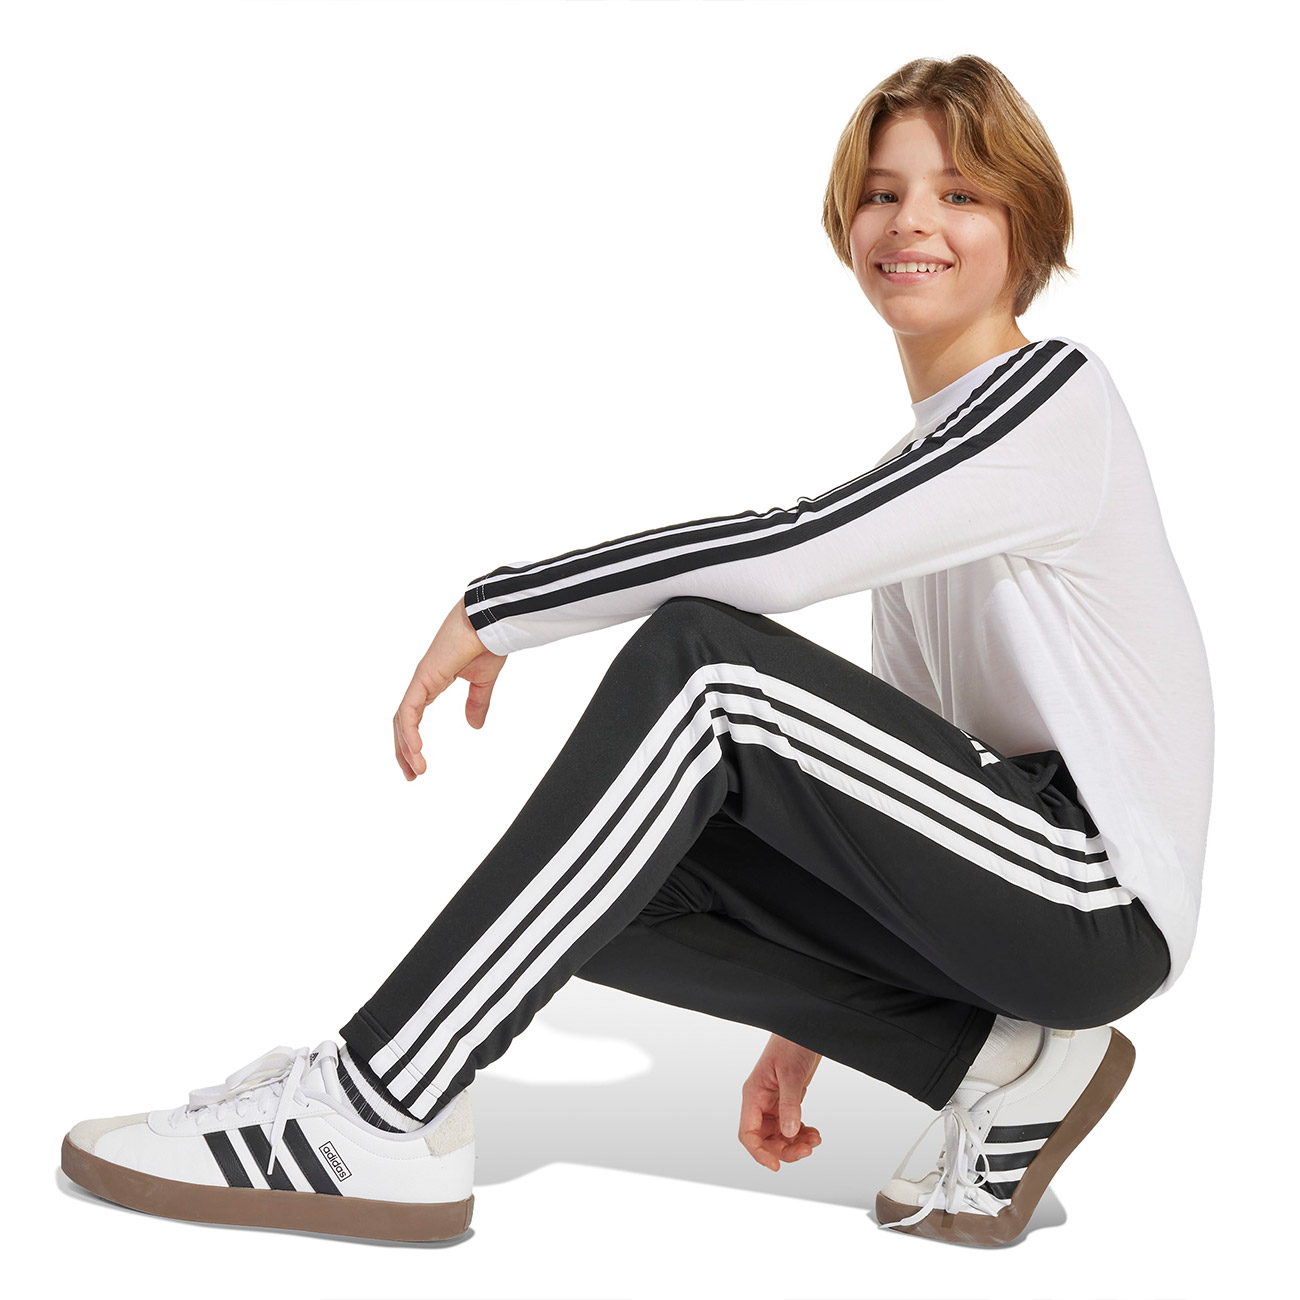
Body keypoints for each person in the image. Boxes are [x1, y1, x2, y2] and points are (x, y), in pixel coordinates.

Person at [59, 53, 1213, 1248]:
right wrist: (812, 1026)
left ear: (1026, 225)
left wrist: (502, 606)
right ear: (845, 226)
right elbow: (905, 764)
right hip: (1006, 881)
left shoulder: (1052, 398)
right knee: (617, 863)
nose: (910, 220)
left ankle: (376, 1107)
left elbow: (787, 551)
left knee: (705, 665)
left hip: (1091, 893)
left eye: (959, 193)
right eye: (882, 193)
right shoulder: (925, 476)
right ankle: (1001, 1062)